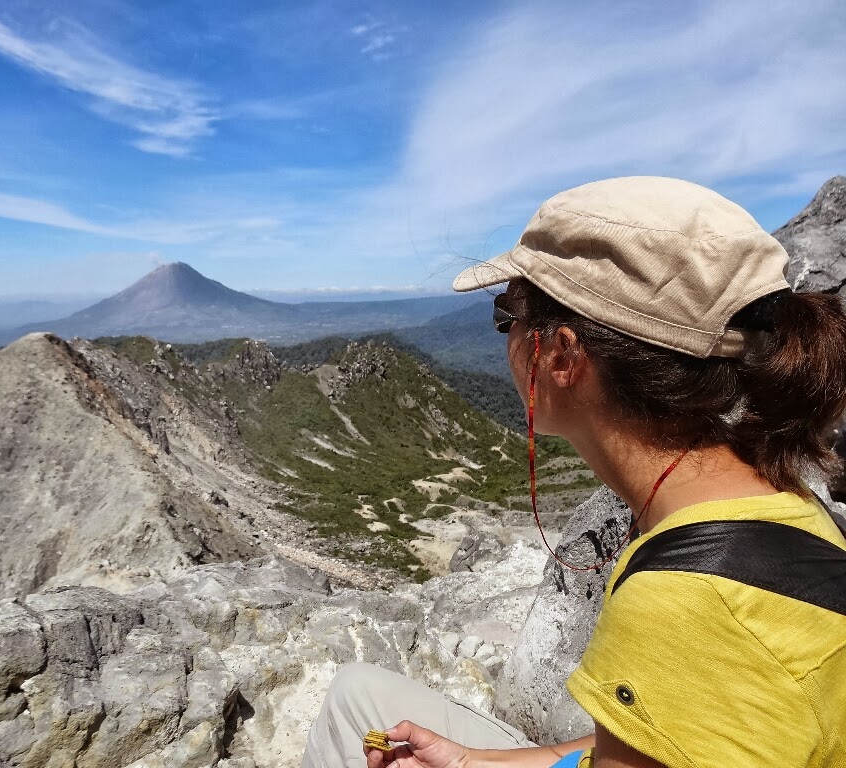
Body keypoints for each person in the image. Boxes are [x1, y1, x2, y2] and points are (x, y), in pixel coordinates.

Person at [300, 176, 846, 768]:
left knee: (353, 709)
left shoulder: (682, 603)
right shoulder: (784, 504)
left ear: (561, 355)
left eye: (506, 315)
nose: (505, 335)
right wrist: (474, 762)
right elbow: (669, 735)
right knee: (356, 691)